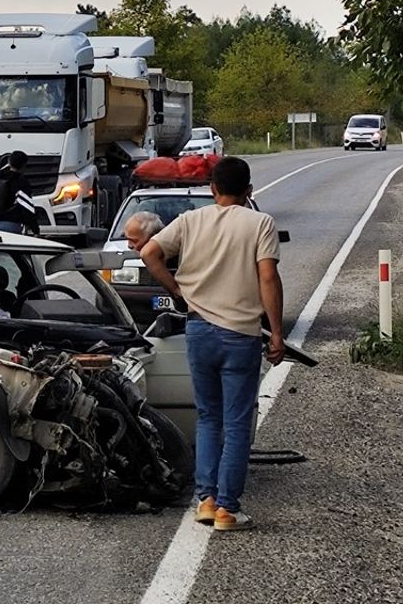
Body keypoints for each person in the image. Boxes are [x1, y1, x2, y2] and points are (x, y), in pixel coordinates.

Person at [139, 156, 283, 532]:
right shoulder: (260, 223)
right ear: (249, 191)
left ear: (212, 189)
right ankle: (227, 510)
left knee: (208, 417)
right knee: (236, 423)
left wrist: (176, 290)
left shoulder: (190, 221)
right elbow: (268, 278)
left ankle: (205, 500)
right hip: (240, 334)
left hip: (199, 331)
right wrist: (278, 333)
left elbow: (149, 253)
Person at [0, 150, 39, 235]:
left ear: (9, 162)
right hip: (12, 225)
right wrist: (35, 230)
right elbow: (27, 207)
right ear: (24, 165)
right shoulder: (21, 182)